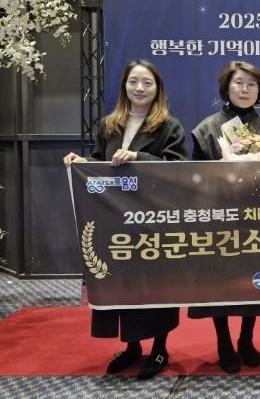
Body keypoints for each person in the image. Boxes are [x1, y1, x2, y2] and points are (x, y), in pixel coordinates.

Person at [63, 59, 188, 379]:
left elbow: (178, 169)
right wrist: (81, 162)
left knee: (157, 288)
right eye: (134, 82)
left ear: (157, 89)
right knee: (123, 285)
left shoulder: (169, 126)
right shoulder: (110, 125)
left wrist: (138, 157)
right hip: (115, 220)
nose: (140, 88)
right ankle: (132, 347)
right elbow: (100, 164)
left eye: (147, 83)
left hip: (153, 221)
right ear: (125, 87)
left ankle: (159, 348)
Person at [187, 61, 260, 374]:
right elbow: (194, 177)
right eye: (239, 83)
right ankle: (224, 342)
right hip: (219, 216)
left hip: (256, 218)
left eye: (252, 84)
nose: (245, 89)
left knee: (254, 282)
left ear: (259, 91)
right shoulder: (207, 128)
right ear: (227, 87)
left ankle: (246, 339)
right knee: (220, 283)